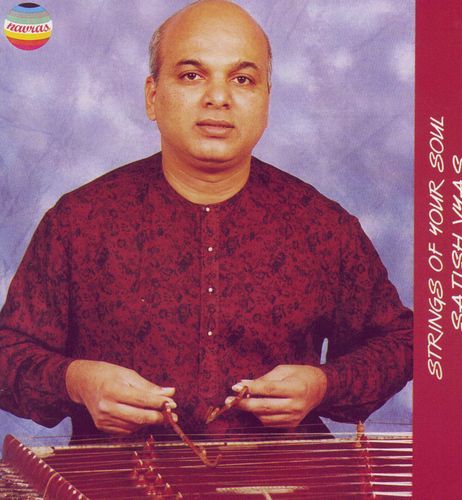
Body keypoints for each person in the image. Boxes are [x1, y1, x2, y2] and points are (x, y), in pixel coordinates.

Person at [0, 0, 412, 439]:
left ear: (266, 100)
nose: (218, 97)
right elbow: (9, 354)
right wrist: (76, 381)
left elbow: (399, 342)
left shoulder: (322, 227)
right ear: (152, 96)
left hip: (285, 474)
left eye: (242, 79)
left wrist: (323, 385)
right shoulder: (79, 221)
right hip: (123, 475)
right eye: (191, 75)